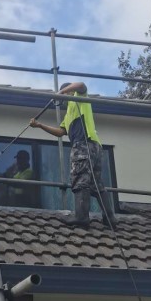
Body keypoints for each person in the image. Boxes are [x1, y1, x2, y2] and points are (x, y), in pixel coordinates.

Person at [29, 82, 117, 228]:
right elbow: (60, 132)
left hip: (83, 145)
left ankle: (82, 217)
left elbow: (81, 84)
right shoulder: (68, 114)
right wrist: (40, 125)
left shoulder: (79, 98)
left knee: (79, 178)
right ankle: (110, 218)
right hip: (95, 147)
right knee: (96, 184)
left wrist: (62, 91)